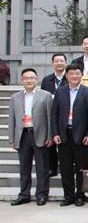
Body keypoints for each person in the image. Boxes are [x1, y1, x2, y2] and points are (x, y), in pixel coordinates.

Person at [51, 64, 88, 206]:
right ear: (67, 75)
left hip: (81, 135)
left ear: (82, 75)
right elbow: (54, 114)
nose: (74, 76)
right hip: (64, 134)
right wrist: (55, 133)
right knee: (65, 168)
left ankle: (80, 195)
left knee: (81, 168)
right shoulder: (60, 92)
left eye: (77, 73)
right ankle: (68, 196)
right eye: (71, 73)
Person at [8, 68, 53, 206]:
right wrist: (12, 139)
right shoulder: (15, 97)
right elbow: (12, 119)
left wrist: (50, 136)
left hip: (40, 134)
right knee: (24, 168)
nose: (29, 80)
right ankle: (24, 194)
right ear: (22, 80)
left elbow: (50, 117)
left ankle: (41, 194)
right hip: (22, 135)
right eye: (26, 78)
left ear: (36, 79)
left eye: (32, 78)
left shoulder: (45, 95)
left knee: (42, 168)